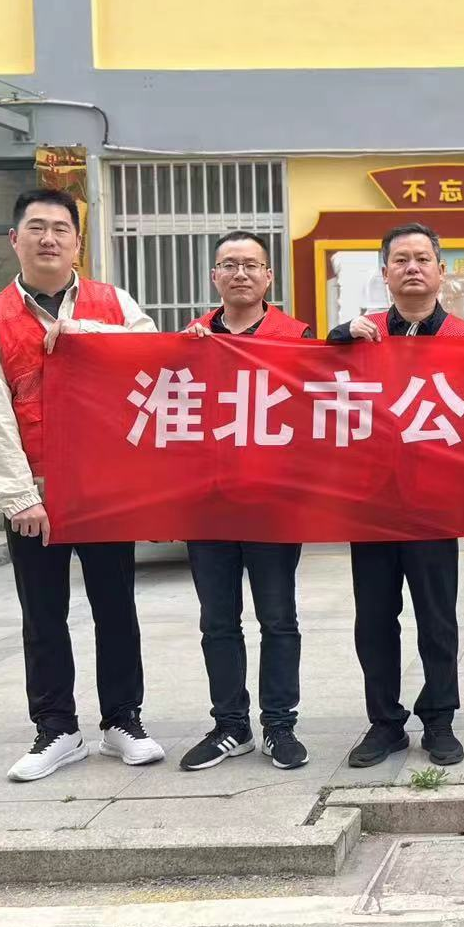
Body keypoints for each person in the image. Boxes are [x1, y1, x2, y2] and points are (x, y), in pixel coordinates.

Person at [0, 189, 164, 782]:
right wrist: (18, 495)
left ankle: (123, 721)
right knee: (44, 614)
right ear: (15, 239)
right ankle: (56, 728)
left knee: (116, 607)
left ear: (78, 241)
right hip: (37, 490)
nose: (49, 238)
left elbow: (152, 355)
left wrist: (79, 331)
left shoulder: (113, 302)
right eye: (37, 227)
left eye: (60, 228)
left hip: (104, 486)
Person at [330, 223, 464, 769]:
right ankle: (385, 723)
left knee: (437, 619)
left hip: (434, 506)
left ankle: (440, 719)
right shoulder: (359, 335)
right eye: (401, 260)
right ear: (385, 273)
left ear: (440, 270)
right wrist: (336, 338)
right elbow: (310, 383)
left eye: (422, 258)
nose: (412, 267)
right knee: (374, 620)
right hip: (371, 505)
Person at [177, 232, 314, 772]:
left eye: (251, 265)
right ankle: (230, 726)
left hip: (272, 506)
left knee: (278, 619)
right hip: (207, 505)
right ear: (214, 276)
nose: (240, 273)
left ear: (268, 276)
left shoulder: (297, 337)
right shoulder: (189, 340)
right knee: (217, 621)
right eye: (229, 264)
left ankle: (280, 726)